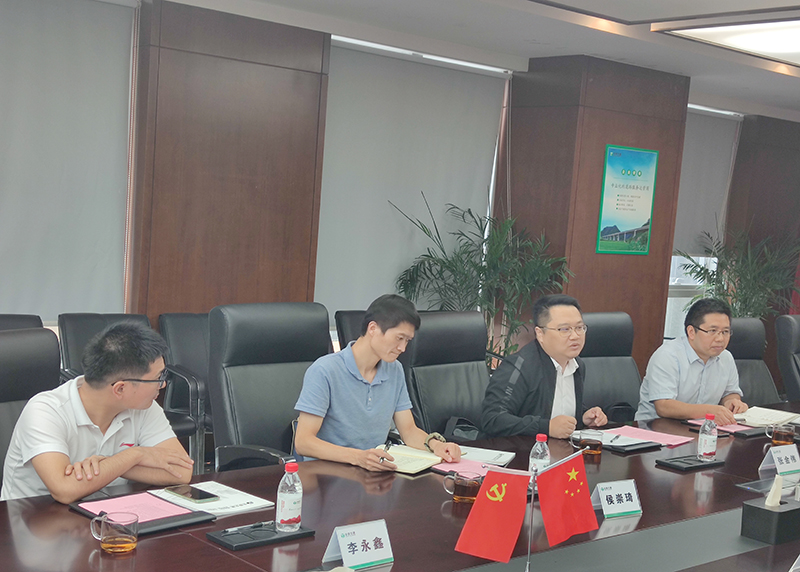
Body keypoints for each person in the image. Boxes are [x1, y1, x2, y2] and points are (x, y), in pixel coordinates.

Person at [1, 322, 193, 503]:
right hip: (31, 517)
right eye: (157, 378)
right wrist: (136, 455)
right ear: (120, 388)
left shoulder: (144, 406)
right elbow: (64, 490)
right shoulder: (45, 411)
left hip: (101, 512)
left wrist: (109, 463)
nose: (163, 384)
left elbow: (182, 472)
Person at [294, 294, 461, 471]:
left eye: (407, 341)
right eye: (399, 338)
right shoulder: (325, 370)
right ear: (373, 328)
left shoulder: (394, 369)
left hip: (372, 471)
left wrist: (437, 445)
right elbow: (303, 442)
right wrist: (357, 457)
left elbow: (409, 431)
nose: (403, 348)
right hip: (326, 474)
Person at [481, 294, 607, 438]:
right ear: (540, 334)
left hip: (559, 448)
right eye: (564, 329)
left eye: (579, 327)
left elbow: (555, 409)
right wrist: (546, 427)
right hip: (520, 449)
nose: (575, 336)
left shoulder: (577, 365)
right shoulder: (518, 367)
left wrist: (583, 417)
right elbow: (492, 419)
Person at [636, 298, 748, 424]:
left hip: (701, 428)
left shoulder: (726, 357)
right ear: (691, 332)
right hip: (655, 427)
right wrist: (708, 411)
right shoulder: (668, 356)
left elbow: (730, 393)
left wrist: (731, 402)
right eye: (712, 331)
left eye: (725, 332)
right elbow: (663, 406)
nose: (720, 338)